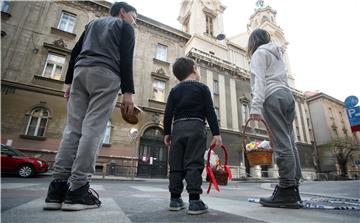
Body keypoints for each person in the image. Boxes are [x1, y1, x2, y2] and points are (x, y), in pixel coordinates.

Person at [43, 2, 137, 211]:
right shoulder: (125, 27)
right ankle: (77, 190)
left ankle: (56, 190)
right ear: (122, 12)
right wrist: (128, 92)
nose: (134, 22)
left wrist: (68, 81)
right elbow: (126, 59)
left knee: (72, 129)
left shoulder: (92, 24)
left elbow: (75, 53)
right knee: (93, 129)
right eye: (133, 17)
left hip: (80, 73)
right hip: (106, 75)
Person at [247, 28, 302, 208]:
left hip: (273, 97)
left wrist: (255, 107)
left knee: (281, 143)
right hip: (287, 96)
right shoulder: (277, 54)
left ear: (253, 42)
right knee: (289, 141)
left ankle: (286, 189)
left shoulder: (259, 53)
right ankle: (294, 187)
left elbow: (259, 81)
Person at [163, 57, 222, 215]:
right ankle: (194, 201)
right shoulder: (203, 88)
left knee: (175, 164)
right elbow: (210, 111)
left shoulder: (174, 90)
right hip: (196, 127)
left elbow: (168, 112)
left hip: (178, 128)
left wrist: (167, 132)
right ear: (195, 69)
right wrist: (216, 133)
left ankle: (175, 200)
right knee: (194, 163)